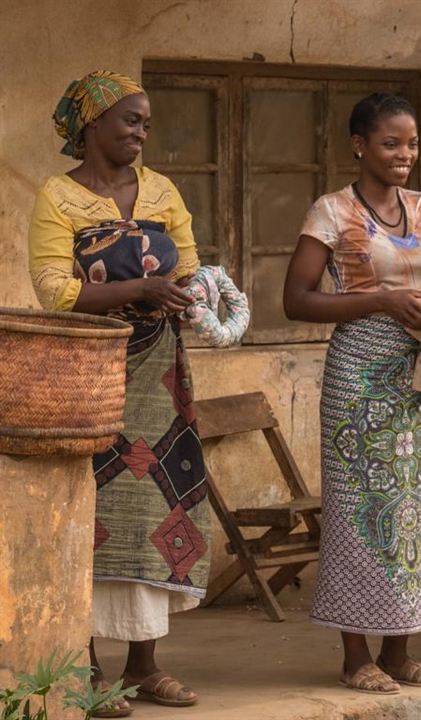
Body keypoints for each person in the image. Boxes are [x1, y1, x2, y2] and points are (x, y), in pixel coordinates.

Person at [28, 71, 207, 716]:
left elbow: (186, 268)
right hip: (89, 371)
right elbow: (55, 289)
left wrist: (199, 296)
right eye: (130, 120)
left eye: (146, 124)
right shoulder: (58, 195)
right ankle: (90, 667)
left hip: (159, 374)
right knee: (90, 512)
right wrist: (138, 291)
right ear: (93, 123)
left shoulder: (162, 191)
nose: (140, 133)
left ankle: (146, 664)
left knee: (157, 510)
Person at [283, 93, 421, 695]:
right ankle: (353, 655)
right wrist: (383, 300)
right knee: (362, 512)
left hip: (418, 377)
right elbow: (297, 300)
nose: (404, 155)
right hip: (359, 374)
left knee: (419, 506)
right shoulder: (331, 211)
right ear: (359, 145)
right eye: (391, 143)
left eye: (411, 143)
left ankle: (399, 650)